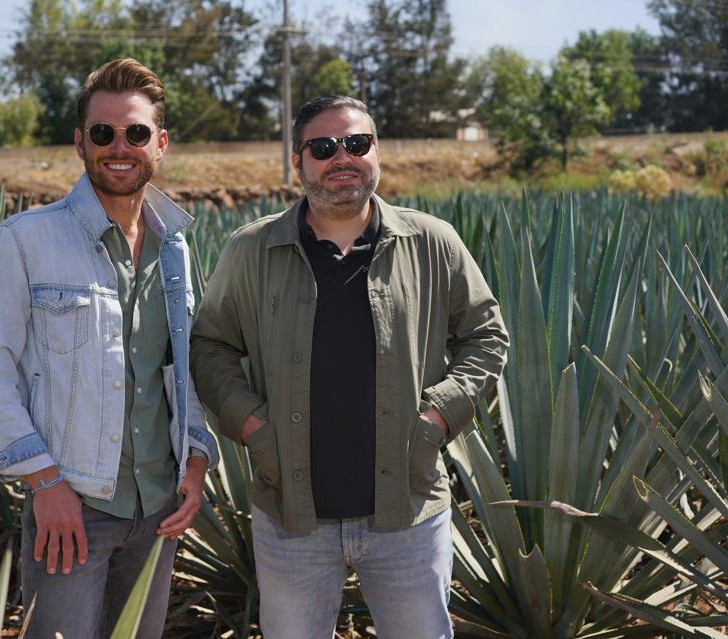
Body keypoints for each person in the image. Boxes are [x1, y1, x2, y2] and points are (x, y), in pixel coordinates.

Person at [190, 94, 508, 639]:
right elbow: (210, 345)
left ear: (376, 152)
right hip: (290, 516)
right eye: (323, 146)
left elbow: (486, 336)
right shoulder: (252, 250)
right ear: (298, 163)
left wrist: (436, 419)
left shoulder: (432, 242)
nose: (342, 157)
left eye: (356, 143)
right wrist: (252, 427)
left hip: (407, 510)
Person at [0, 58, 219, 639]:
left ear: (161, 143)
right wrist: (45, 483)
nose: (118, 146)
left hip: (157, 509)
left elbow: (184, 370)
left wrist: (197, 456)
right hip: (72, 507)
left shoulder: (174, 249)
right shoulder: (26, 240)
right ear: (80, 143)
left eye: (135, 132)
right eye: (102, 133)